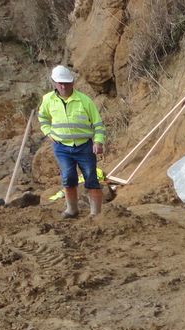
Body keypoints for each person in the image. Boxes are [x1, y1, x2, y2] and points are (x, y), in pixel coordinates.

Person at [37, 65, 107, 218]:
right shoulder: (48, 100)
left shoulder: (84, 100)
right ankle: (71, 210)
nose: (63, 86)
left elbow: (98, 124)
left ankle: (96, 214)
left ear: (72, 83)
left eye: (67, 83)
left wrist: (98, 142)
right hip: (62, 147)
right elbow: (42, 118)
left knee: (91, 177)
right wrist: (49, 133)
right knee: (68, 177)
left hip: (84, 146)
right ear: (54, 83)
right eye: (60, 83)